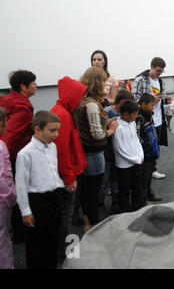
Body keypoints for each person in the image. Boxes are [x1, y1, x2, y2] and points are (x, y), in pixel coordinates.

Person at [15, 111, 64, 269]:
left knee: (52, 240)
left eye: (57, 130)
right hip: (37, 203)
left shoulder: (53, 147)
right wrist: (25, 211)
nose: (56, 134)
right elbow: (21, 184)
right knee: (36, 244)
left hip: (54, 199)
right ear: (37, 130)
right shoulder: (25, 154)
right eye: (51, 130)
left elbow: (52, 171)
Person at [50, 76, 87, 264]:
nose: (81, 102)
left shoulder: (62, 112)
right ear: (72, 97)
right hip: (66, 175)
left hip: (67, 172)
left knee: (63, 215)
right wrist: (69, 177)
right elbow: (61, 151)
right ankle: (62, 255)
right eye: (80, 97)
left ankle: (60, 251)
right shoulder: (63, 116)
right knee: (65, 215)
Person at [77, 67, 118, 232]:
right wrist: (111, 129)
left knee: (88, 189)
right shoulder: (92, 105)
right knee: (93, 190)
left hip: (87, 152)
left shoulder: (84, 101)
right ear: (96, 82)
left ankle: (89, 220)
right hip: (93, 154)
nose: (106, 84)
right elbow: (97, 134)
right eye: (103, 81)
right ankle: (92, 223)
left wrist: (106, 122)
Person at [0, 70, 36, 244]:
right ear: (23, 86)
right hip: (14, 158)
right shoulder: (21, 109)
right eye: (33, 83)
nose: (36, 85)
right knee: (18, 194)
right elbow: (9, 137)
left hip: (12, 157)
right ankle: (20, 235)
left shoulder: (10, 100)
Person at [132, 57, 172, 179]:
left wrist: (166, 100)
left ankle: (152, 170)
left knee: (155, 146)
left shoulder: (160, 81)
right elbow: (133, 98)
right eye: (158, 70)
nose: (160, 73)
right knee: (144, 145)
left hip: (158, 119)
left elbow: (161, 97)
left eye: (162, 71)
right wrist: (150, 100)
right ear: (152, 67)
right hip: (145, 120)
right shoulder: (140, 79)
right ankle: (141, 170)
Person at [100, 89, 135, 210]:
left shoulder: (124, 113)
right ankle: (100, 202)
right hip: (108, 150)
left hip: (119, 152)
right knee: (105, 178)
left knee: (117, 178)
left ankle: (116, 200)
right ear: (121, 101)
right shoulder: (108, 112)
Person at [112, 100, 144, 213]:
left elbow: (136, 140)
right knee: (124, 190)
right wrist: (135, 159)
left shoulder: (133, 123)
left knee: (137, 188)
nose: (136, 116)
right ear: (125, 114)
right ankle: (124, 212)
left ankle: (138, 209)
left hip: (136, 162)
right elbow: (119, 148)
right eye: (134, 114)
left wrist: (141, 155)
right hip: (124, 165)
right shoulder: (118, 126)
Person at [136, 93, 163, 203]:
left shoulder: (149, 115)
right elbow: (137, 135)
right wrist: (145, 148)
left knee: (149, 175)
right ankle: (143, 200)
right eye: (152, 105)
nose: (153, 107)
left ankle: (149, 194)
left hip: (152, 152)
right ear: (143, 104)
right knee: (144, 177)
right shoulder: (139, 118)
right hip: (145, 153)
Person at [0, 107, 16, 269]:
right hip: (2, 201)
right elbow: (2, 178)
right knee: (2, 240)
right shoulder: (1, 146)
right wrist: (11, 197)